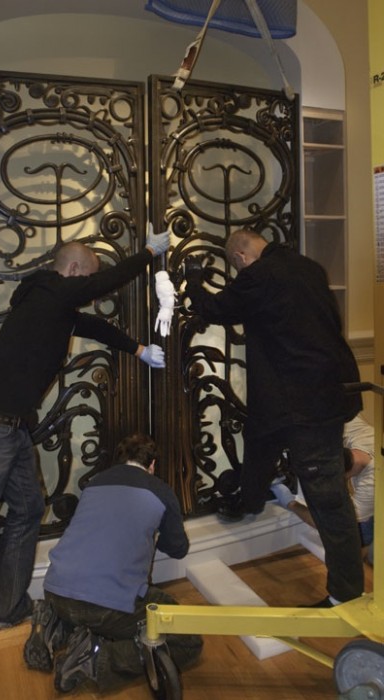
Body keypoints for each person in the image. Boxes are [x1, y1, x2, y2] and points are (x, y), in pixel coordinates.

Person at [0, 228, 170, 684]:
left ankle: (7, 608)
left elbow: (91, 325)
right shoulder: (51, 292)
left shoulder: (50, 303)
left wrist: (136, 349)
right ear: (73, 270)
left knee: (29, 508)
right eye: (85, 280)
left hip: (9, 430)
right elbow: (98, 288)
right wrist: (147, 255)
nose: (87, 293)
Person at [185, 228, 364, 608]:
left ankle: (345, 596)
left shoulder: (260, 276)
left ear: (240, 258)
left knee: (329, 502)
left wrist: (193, 279)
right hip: (328, 393)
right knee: (262, 439)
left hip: (302, 404)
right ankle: (248, 500)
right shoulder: (309, 268)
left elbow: (216, 310)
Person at [23, 433, 203, 694]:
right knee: (187, 639)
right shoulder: (161, 491)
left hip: (55, 589)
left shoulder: (94, 484)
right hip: (104, 605)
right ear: (152, 465)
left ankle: (53, 625)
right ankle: (94, 660)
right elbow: (178, 549)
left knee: (87, 610)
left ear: (121, 461)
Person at [272, 414, 374, 565]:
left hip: (374, 499)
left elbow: (333, 524)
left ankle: (358, 563)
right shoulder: (355, 429)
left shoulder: (372, 485)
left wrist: (290, 503)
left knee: (356, 534)